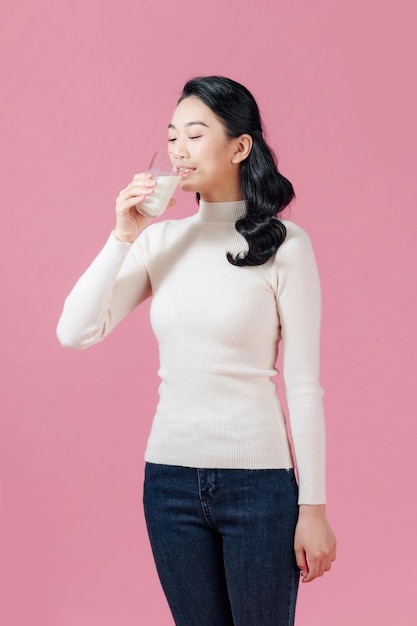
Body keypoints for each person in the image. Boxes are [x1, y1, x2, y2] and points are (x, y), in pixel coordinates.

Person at [57, 75, 336, 626]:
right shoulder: (159, 241)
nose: (178, 150)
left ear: (239, 146)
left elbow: (303, 385)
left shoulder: (285, 245)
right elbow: (75, 331)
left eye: (195, 134)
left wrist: (314, 508)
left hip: (259, 486)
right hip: (170, 485)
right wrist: (122, 235)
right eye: (172, 136)